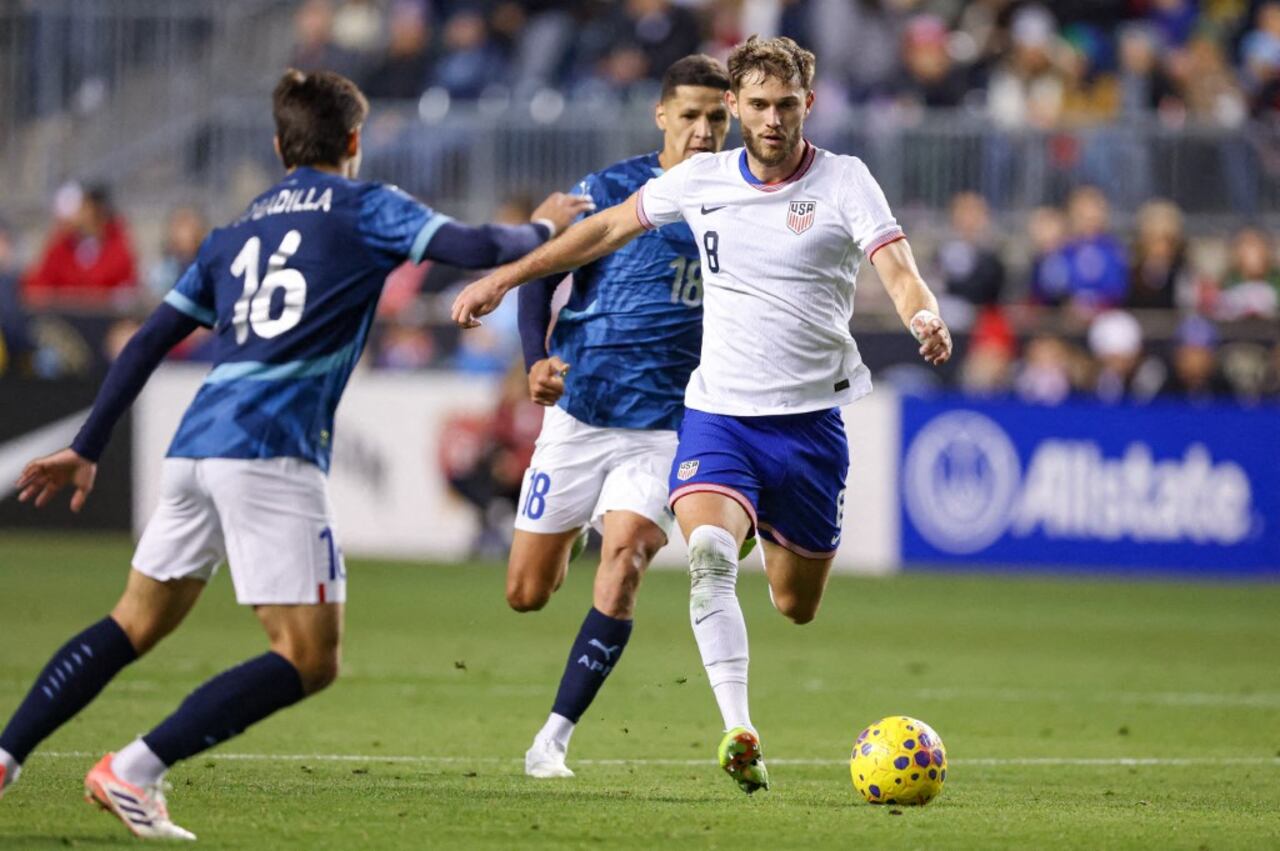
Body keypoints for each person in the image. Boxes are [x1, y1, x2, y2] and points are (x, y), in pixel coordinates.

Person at [0, 69, 587, 840]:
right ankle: (135, 767)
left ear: (279, 147)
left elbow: (148, 339)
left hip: (195, 445)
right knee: (310, 656)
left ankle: (6, 755)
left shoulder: (235, 230)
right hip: (269, 450)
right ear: (353, 141)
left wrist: (87, 444)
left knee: (132, 621)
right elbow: (479, 245)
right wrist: (544, 228)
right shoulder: (364, 206)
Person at [452, 36, 952, 795]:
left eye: (786, 104)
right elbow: (600, 230)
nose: (772, 119)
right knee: (704, 559)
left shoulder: (846, 181)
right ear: (736, 107)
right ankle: (739, 728)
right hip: (711, 415)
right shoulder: (703, 181)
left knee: (794, 602)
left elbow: (899, 270)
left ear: (807, 105)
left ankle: (750, 523)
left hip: (810, 425)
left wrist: (923, 317)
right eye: (757, 105)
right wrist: (508, 277)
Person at [508, 54, 732, 779]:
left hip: (669, 423)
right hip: (580, 412)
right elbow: (541, 271)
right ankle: (578, 522)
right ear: (661, 115)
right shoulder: (607, 190)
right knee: (526, 593)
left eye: (716, 117)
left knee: (629, 556)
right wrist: (532, 361)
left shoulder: (742, 198)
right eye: (691, 115)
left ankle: (553, 738)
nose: (704, 130)